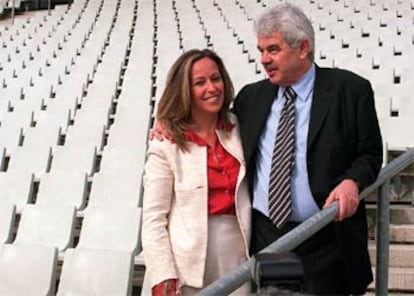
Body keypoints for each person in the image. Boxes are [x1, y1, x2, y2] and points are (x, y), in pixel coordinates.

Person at [232, 3, 383, 295]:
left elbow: (370, 154)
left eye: (273, 50)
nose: (264, 59)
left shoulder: (350, 90)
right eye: (261, 50)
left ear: (303, 48)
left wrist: (353, 181)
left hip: (326, 240)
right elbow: (211, 127)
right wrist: (168, 126)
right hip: (268, 239)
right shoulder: (250, 98)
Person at [142, 49, 251, 296]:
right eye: (199, 83)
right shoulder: (165, 143)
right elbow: (153, 218)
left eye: (216, 78)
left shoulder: (239, 127)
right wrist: (163, 275)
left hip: (238, 250)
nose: (212, 88)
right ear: (184, 91)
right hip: (186, 260)